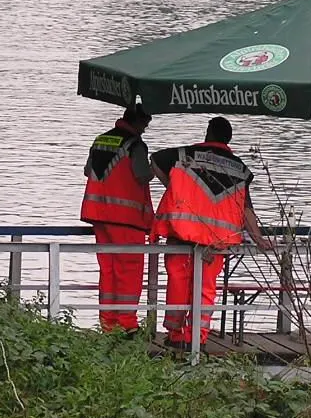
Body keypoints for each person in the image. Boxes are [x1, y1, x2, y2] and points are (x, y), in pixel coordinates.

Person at [150, 117, 273, 349]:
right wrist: (259, 239)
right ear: (229, 139)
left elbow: (155, 160)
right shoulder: (240, 169)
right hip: (216, 241)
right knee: (205, 288)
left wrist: (173, 187)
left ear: (208, 133)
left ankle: (177, 337)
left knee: (178, 282)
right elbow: (246, 208)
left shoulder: (185, 155)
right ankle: (198, 337)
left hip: (182, 233)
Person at [81, 104, 155, 333]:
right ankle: (127, 324)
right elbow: (143, 176)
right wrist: (156, 168)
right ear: (138, 122)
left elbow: (87, 171)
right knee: (129, 270)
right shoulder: (135, 145)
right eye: (145, 124)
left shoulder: (101, 140)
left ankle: (108, 321)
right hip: (126, 218)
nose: (144, 129)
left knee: (108, 269)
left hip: (99, 216)